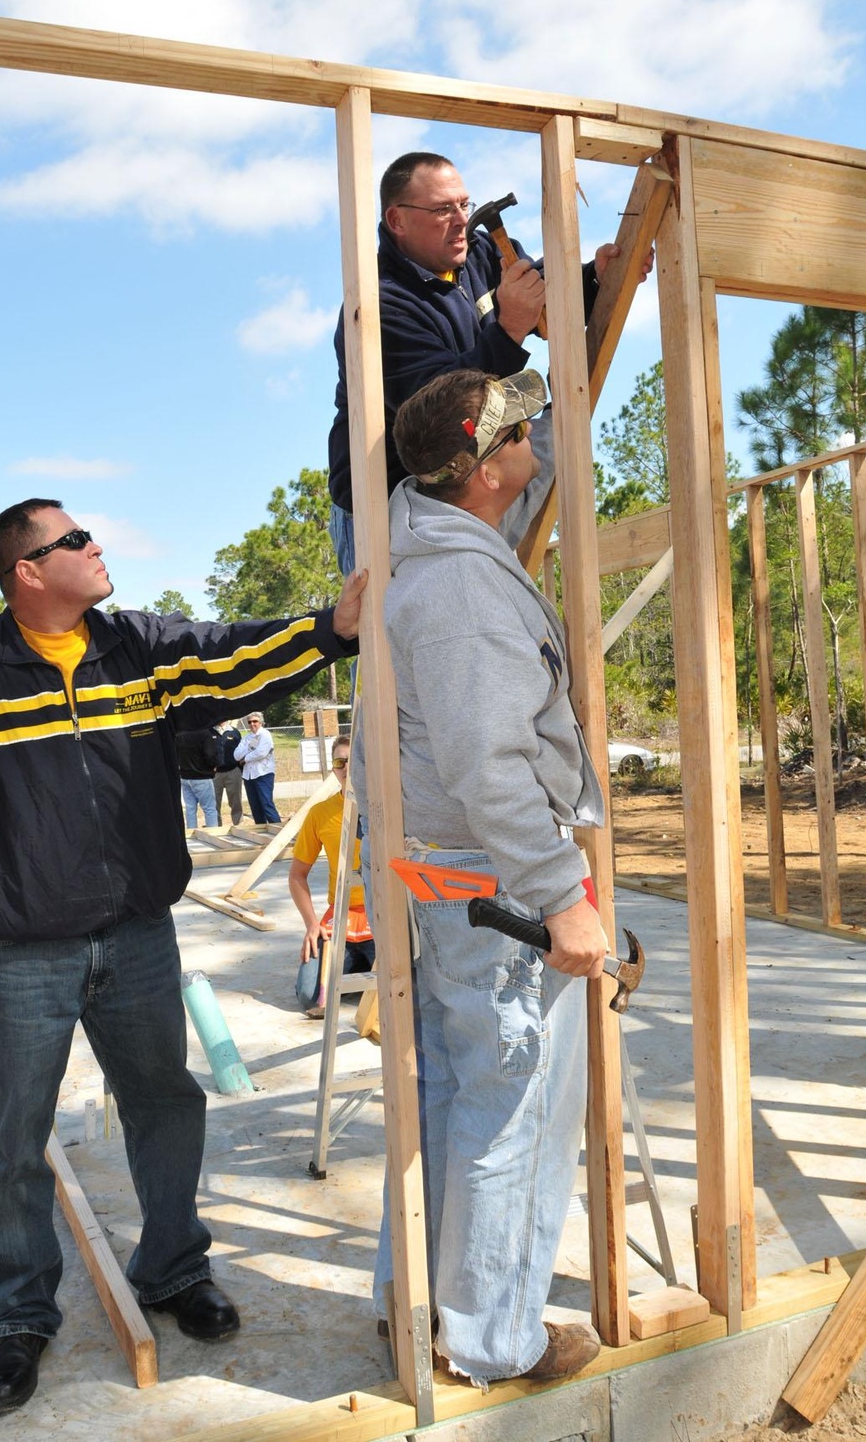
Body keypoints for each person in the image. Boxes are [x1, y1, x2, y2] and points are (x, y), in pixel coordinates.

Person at [0, 501, 365, 1417]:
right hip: (20, 952)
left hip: (138, 935)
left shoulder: (139, 647)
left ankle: (174, 1268)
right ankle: (17, 1315)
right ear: (26, 570)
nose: (95, 546)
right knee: (13, 1136)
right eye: (73, 540)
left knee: (166, 1105)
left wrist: (330, 629)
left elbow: (229, 656)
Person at [362, 369, 608, 1388]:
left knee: (452, 1099)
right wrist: (561, 896)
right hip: (497, 885)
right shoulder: (461, 590)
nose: (535, 437)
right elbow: (489, 766)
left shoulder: (428, 544)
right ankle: (492, 1343)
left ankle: (420, 1310)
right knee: (514, 1110)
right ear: (485, 468)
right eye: (521, 431)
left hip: (452, 878)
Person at [327, 150, 650, 572]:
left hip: (469, 482)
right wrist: (509, 329)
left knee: (554, 429)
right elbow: (444, 421)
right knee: (409, 613)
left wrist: (593, 279)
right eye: (443, 210)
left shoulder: (481, 251)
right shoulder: (377, 306)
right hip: (389, 506)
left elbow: (541, 297)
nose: (461, 220)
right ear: (397, 220)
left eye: (464, 204)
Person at [289, 735, 375, 1019]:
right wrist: (312, 924)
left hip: (380, 919)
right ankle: (356, 967)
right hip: (340, 918)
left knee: (405, 992)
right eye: (340, 762)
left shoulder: (388, 806)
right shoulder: (320, 813)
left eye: (353, 761)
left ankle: (360, 969)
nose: (346, 768)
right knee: (310, 997)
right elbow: (297, 875)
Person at [234, 711, 280, 824]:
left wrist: (245, 759)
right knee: (255, 806)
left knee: (266, 804)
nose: (252, 724)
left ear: (261, 722)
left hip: (263, 773)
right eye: (249, 722)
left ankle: (278, 828)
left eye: (255, 721)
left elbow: (261, 752)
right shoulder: (247, 737)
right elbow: (236, 755)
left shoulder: (265, 734)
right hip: (248, 776)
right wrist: (249, 748)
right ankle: (261, 829)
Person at [176, 727, 219, 834]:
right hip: (202, 776)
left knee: (190, 809)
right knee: (209, 809)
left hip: (185, 775)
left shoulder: (180, 734)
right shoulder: (205, 734)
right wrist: (214, 765)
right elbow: (210, 755)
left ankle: (191, 834)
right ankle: (213, 834)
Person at [212, 720, 244, 826]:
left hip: (233, 771)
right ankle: (216, 827)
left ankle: (238, 825)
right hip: (215, 774)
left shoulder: (234, 732)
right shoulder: (209, 731)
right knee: (214, 803)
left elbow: (241, 751)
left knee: (236, 802)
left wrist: (239, 769)